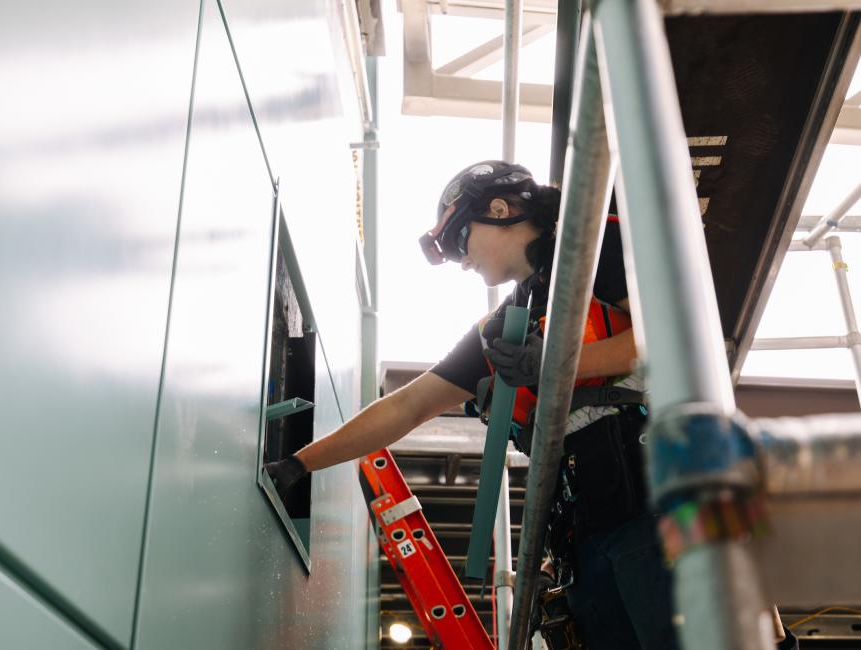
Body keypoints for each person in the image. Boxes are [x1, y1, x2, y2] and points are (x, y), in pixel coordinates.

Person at [266, 160, 797, 650]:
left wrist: (558, 363)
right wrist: (299, 463)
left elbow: (671, 335)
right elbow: (409, 406)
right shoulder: (505, 328)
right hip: (587, 527)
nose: (460, 260)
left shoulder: (594, 249)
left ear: (500, 210)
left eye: (461, 238)